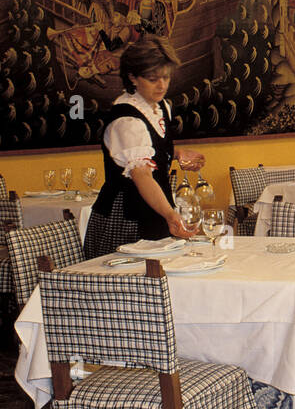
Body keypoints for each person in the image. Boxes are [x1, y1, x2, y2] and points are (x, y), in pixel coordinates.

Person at [83, 36, 204, 256]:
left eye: (166, 77)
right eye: (152, 78)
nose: (162, 85)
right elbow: (141, 175)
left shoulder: (162, 107)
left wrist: (176, 154)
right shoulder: (126, 120)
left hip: (155, 210)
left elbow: (152, 148)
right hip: (125, 218)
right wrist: (170, 214)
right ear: (133, 77)